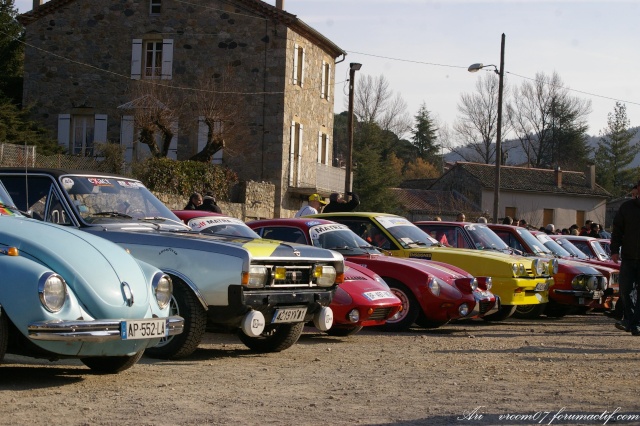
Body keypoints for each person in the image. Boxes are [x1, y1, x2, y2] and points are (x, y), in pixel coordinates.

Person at [610, 180, 640, 335]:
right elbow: (617, 231)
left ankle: (635, 323)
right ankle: (630, 320)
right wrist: (614, 250)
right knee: (625, 291)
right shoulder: (627, 208)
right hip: (628, 257)